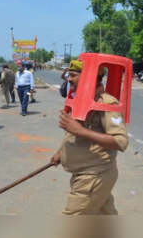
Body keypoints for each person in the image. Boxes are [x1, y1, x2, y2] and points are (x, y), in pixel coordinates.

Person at [50, 60, 129, 215]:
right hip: (86, 174)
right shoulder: (84, 100)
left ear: (89, 77)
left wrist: (80, 131)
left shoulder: (106, 103)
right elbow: (77, 133)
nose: (68, 79)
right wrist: (61, 152)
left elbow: (121, 141)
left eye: (73, 75)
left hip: (93, 175)